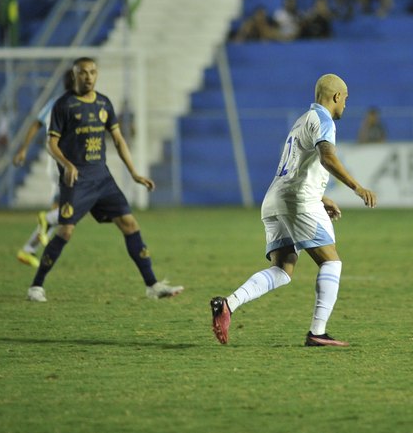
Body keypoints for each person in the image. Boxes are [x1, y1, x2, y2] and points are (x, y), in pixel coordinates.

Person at [210, 74, 377, 346]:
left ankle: (227, 304)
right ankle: (318, 332)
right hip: (298, 202)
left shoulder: (302, 120)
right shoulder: (324, 120)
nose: (345, 105)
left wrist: (322, 196)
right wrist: (356, 187)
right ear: (336, 97)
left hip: (275, 199)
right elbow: (328, 157)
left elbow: (298, 165)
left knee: (283, 270)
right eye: (345, 99)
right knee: (331, 262)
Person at [26, 57, 183, 302]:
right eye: (83, 73)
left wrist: (134, 173)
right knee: (65, 231)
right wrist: (67, 165)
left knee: (130, 224)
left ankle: (152, 285)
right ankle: (36, 285)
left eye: (92, 72)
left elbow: (119, 140)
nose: (88, 77)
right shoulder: (63, 105)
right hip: (76, 181)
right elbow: (51, 143)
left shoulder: (103, 103)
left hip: (102, 179)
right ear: (74, 76)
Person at [13, 70, 76, 268]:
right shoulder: (72, 105)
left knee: (59, 210)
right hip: (65, 165)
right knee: (75, 208)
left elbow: (36, 124)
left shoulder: (54, 102)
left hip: (56, 164)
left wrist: (23, 149)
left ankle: (28, 249)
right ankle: (45, 220)